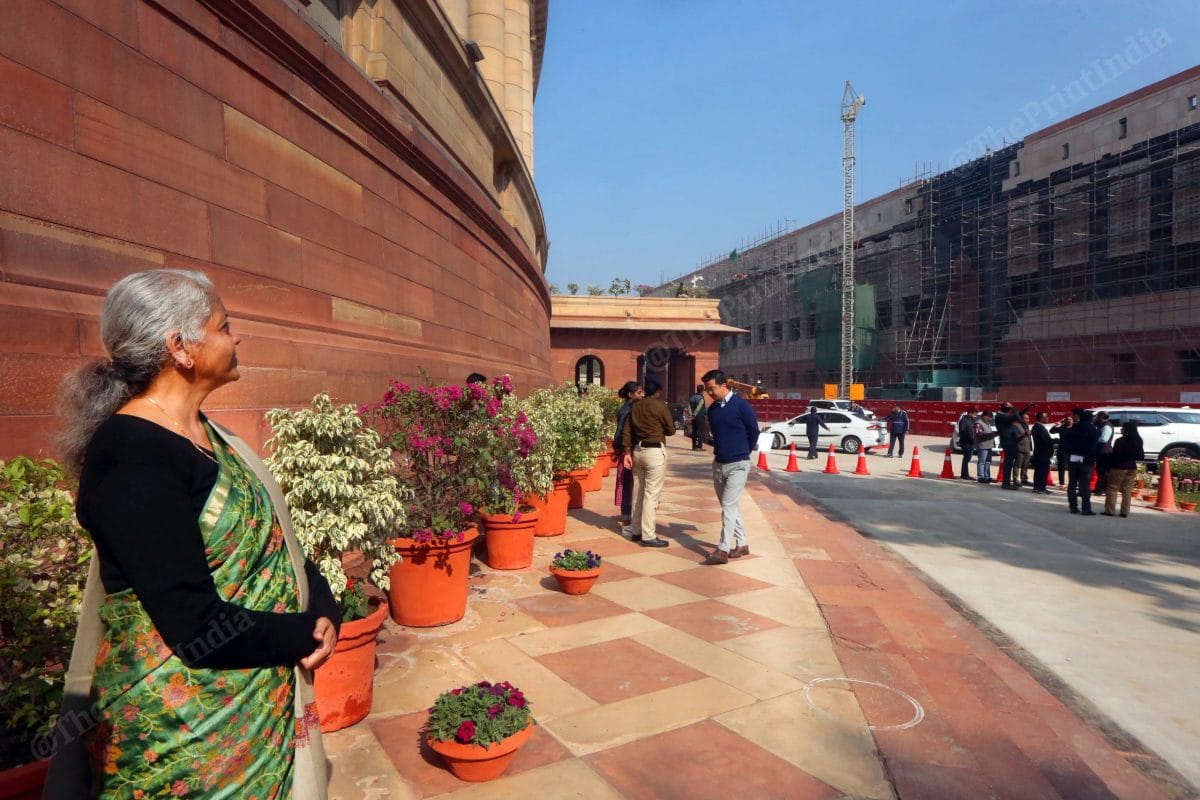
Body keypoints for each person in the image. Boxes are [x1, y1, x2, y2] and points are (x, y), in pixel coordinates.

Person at [47, 270, 337, 798]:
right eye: (224, 326)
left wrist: (323, 609)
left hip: (255, 708)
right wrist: (302, 634)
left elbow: (278, 547)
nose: (236, 338)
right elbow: (194, 626)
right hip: (183, 740)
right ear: (180, 347)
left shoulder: (210, 435)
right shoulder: (132, 454)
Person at [700, 370, 759, 565]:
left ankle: (723, 548)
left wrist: (744, 451)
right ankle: (742, 543)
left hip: (739, 464)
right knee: (729, 505)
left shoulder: (742, 406)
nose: (709, 393)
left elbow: (754, 431)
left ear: (724, 385)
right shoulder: (713, 409)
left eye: (712, 389)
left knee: (728, 505)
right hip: (719, 463)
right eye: (707, 390)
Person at [620, 377, 675, 547]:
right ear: (658, 391)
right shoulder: (660, 406)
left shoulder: (634, 406)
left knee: (638, 492)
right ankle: (648, 535)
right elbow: (671, 430)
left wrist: (627, 452)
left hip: (638, 451)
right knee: (651, 495)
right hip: (654, 451)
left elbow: (627, 431)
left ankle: (636, 530)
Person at [613, 380, 642, 528]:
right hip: (627, 450)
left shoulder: (628, 408)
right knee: (627, 482)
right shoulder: (627, 410)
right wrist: (619, 448)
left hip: (628, 448)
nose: (641, 395)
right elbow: (621, 432)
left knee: (628, 482)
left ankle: (628, 513)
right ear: (630, 395)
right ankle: (626, 514)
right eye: (638, 393)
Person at [1104, 422, 1144, 517]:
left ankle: (1110, 510)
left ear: (1127, 430)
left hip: (1119, 466)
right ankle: (1124, 511)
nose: (1121, 429)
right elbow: (1141, 455)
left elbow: (1115, 455)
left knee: (1113, 488)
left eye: (1123, 428)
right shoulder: (1138, 440)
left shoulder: (1120, 441)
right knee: (1127, 490)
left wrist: (1108, 464)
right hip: (1132, 467)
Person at [1065, 409, 1101, 515]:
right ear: (1090, 419)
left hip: (1073, 458)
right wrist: (1088, 456)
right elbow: (1094, 446)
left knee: (1072, 483)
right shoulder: (1094, 430)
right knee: (1085, 485)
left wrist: (1072, 453)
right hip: (1086, 460)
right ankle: (1086, 508)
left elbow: (1065, 442)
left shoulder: (1072, 428)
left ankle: (1073, 507)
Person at [994, 401, 1034, 489]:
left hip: (1010, 442)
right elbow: (1016, 416)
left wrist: (1027, 408)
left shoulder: (1003, 416)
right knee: (1008, 463)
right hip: (1008, 442)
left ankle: (1007, 482)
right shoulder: (1001, 416)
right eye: (1009, 409)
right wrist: (1013, 407)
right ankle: (1006, 483)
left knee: (1009, 463)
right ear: (1007, 409)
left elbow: (1018, 415)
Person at [1031, 412, 1055, 494]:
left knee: (1039, 471)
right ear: (1041, 418)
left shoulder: (1039, 427)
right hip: (1042, 453)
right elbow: (1046, 440)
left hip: (1041, 452)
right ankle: (1040, 488)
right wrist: (1056, 440)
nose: (1047, 418)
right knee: (1042, 471)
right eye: (1046, 416)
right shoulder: (1038, 428)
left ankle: (1038, 487)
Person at [973, 410, 998, 483]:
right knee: (982, 462)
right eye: (989, 417)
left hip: (988, 445)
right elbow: (978, 434)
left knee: (988, 462)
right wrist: (990, 435)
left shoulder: (987, 423)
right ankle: (981, 477)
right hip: (982, 446)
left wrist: (994, 434)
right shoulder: (978, 423)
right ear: (984, 416)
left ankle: (987, 476)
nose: (989, 419)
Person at [1051, 414, 1074, 487]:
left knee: (1073, 468)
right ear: (1065, 420)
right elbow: (1052, 431)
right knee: (1062, 467)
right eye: (1067, 419)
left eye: (1070, 419)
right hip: (1062, 450)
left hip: (1072, 450)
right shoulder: (1062, 427)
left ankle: (1072, 483)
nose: (1069, 421)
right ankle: (1061, 483)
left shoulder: (1075, 428)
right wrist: (1057, 424)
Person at [1094, 411, 1114, 493]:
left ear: (1102, 417)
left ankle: (1101, 489)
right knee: (1100, 470)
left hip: (1104, 451)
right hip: (1100, 450)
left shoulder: (1106, 426)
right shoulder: (1101, 425)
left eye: (1098, 416)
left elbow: (1104, 439)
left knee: (1103, 470)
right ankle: (1100, 488)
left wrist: (1093, 439)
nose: (1096, 418)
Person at [957, 409, 978, 479]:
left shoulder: (972, 420)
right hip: (966, 443)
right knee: (966, 459)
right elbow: (962, 432)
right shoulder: (963, 420)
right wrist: (966, 442)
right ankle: (964, 475)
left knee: (967, 459)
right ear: (970, 413)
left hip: (971, 442)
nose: (975, 416)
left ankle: (966, 474)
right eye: (974, 414)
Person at [1015, 412, 1034, 486]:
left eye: (1028, 418)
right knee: (1017, 465)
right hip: (1020, 448)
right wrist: (1024, 434)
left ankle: (1024, 479)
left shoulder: (1026, 426)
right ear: (1021, 419)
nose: (1028, 420)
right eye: (1026, 418)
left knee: (1025, 465)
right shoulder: (1017, 426)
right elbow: (1015, 436)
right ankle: (1016, 479)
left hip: (1027, 448)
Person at [689, 384, 708, 450]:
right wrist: (694, 414)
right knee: (700, 431)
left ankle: (694, 446)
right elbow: (698, 408)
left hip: (693, 418)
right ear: (702, 390)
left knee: (694, 431)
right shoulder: (701, 398)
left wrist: (691, 415)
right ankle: (699, 446)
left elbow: (689, 407)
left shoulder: (692, 397)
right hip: (700, 417)